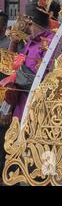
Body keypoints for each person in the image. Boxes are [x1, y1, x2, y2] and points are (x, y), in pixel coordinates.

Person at [0, 11, 10, 185]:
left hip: (4, 105)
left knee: (4, 151)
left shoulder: (9, 45)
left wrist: (6, 108)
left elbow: (11, 78)